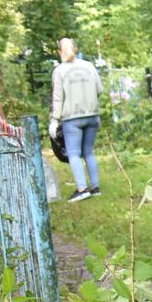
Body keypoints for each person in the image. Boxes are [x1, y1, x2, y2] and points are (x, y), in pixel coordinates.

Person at [50, 37, 102, 201]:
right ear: (76, 48)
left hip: (72, 118)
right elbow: (99, 89)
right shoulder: (89, 66)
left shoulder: (59, 71)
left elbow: (57, 98)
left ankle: (82, 188)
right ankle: (95, 187)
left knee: (73, 153)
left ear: (60, 52)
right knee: (88, 152)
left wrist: (54, 120)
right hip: (92, 115)